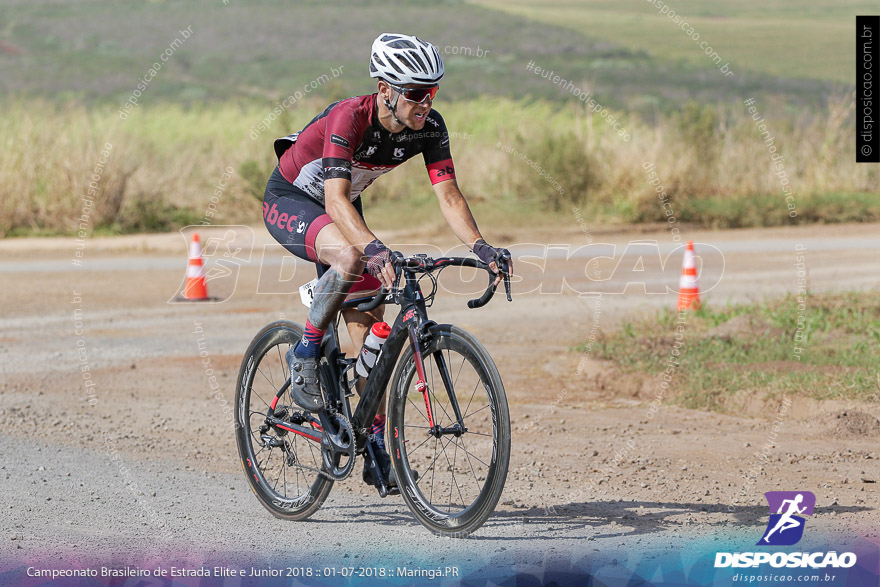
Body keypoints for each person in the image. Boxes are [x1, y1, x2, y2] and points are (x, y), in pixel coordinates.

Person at [263, 33, 512, 489]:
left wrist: (482, 246)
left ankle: (373, 442)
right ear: (385, 90)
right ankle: (304, 354)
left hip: (342, 209)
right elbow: (335, 199)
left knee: (370, 333)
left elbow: (449, 195)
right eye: (416, 93)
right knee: (353, 255)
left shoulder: (430, 127)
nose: (425, 102)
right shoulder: (349, 117)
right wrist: (374, 249)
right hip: (294, 200)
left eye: (432, 92)